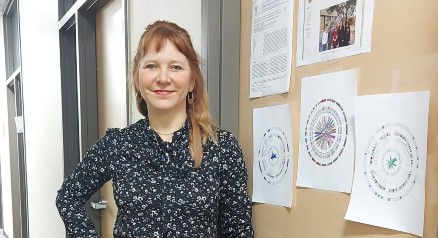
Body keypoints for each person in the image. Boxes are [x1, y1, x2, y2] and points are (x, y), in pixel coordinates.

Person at [56, 20, 254, 238]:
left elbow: (238, 230)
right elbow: (68, 196)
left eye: (175, 67)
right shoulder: (119, 144)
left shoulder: (222, 147)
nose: (163, 78)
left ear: (191, 81)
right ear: (137, 78)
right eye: (151, 66)